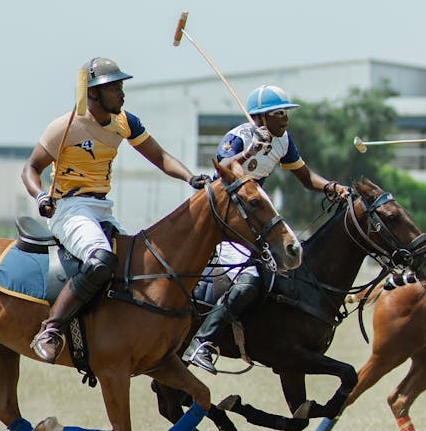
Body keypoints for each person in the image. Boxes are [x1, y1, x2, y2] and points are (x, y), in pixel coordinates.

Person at [23, 57, 208, 363]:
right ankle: (51, 329)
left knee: (135, 267)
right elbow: (30, 168)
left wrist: (190, 177)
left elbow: (160, 157)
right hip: (69, 208)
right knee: (100, 260)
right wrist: (41, 195)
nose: (122, 94)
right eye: (115, 88)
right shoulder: (66, 126)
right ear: (93, 94)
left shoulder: (125, 122)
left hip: (102, 209)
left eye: (122, 86)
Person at [183, 84, 350, 374]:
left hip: (255, 218)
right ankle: (202, 342)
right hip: (223, 219)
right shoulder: (238, 137)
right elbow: (224, 169)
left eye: (286, 113)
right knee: (249, 282)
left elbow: (305, 177)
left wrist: (332, 187)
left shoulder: (284, 141)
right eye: (279, 114)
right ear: (259, 118)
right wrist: (251, 150)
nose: (285, 119)